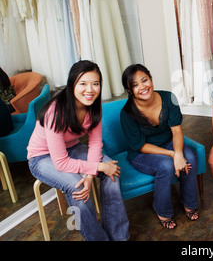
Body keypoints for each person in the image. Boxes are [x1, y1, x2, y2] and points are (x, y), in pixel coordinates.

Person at [27, 60, 129, 241]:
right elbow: (60, 162)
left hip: (71, 148)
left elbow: (96, 143)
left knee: (112, 171)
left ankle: (119, 236)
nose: (90, 90)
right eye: (83, 84)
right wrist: (97, 167)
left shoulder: (93, 106)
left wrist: (91, 174)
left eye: (95, 84)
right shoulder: (56, 112)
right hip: (42, 157)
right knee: (77, 187)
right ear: (72, 83)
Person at [120, 64, 199, 229]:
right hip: (142, 152)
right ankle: (162, 210)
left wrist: (178, 153)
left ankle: (190, 203)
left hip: (169, 142)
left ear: (151, 79)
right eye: (135, 85)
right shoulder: (127, 113)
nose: (143, 87)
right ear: (129, 90)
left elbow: (176, 131)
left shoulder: (169, 98)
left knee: (190, 156)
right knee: (165, 165)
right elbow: (139, 146)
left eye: (145, 80)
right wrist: (172, 155)